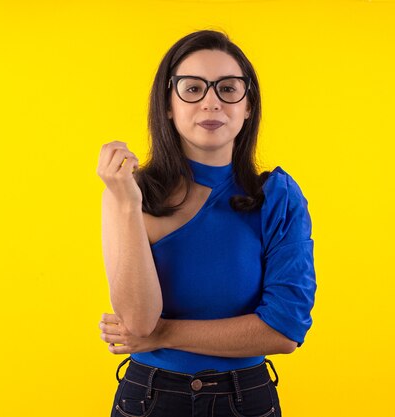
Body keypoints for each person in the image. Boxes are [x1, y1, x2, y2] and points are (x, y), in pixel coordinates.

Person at [96, 29, 316, 417]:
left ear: (248, 106)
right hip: (148, 399)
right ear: (168, 104)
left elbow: (283, 330)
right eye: (193, 88)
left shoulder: (278, 196)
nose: (211, 102)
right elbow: (137, 321)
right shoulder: (127, 194)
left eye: (228, 89)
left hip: (244, 400)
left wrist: (163, 334)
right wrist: (128, 205)